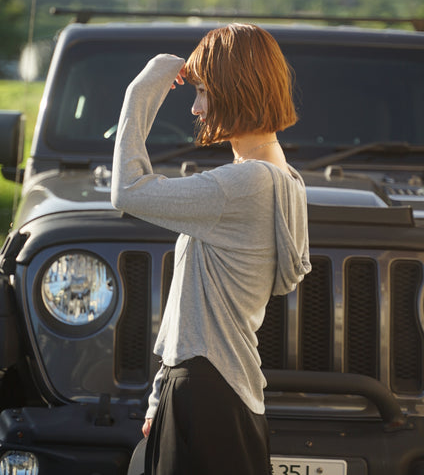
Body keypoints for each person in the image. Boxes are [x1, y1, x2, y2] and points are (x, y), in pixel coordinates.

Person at [111, 23, 311, 475]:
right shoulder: (287, 183)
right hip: (227, 392)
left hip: (204, 392)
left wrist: (144, 85)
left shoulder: (242, 186)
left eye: (203, 91)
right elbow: (196, 298)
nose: (197, 108)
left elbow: (126, 190)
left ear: (236, 89)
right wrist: (160, 392)